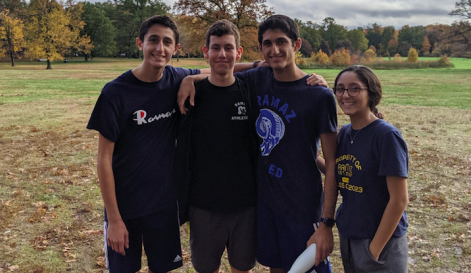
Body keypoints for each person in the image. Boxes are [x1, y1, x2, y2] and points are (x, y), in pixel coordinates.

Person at [178, 14, 337, 273]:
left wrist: (327, 223)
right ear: (261, 48)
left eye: (281, 42)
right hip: (266, 204)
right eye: (268, 43)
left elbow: (332, 164)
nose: (275, 50)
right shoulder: (258, 80)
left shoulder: (318, 95)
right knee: (277, 267)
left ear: (296, 45)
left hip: (302, 207)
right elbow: (224, 71)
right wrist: (191, 78)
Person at [87, 15, 208, 273]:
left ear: (176, 49)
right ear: (140, 43)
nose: (159, 48)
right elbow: (103, 160)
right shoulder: (115, 92)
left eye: (167, 42)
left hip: (163, 205)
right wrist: (115, 220)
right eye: (153, 40)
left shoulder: (175, 78)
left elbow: (223, 67)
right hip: (125, 207)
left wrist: (260, 64)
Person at [177, 19, 259, 273]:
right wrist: (191, 77)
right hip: (203, 205)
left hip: (245, 203)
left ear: (239, 52)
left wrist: (316, 79)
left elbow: (281, 70)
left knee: (242, 267)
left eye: (228, 48)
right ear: (206, 52)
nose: (222, 54)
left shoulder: (251, 90)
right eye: (215, 48)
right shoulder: (191, 94)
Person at [316, 65, 409, 272]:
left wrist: (374, 250)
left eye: (354, 88)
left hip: (380, 243)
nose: (345, 95)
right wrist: (312, 155)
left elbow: (399, 199)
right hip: (350, 237)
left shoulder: (386, 136)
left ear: (371, 93)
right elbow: (344, 174)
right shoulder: (345, 133)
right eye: (340, 89)